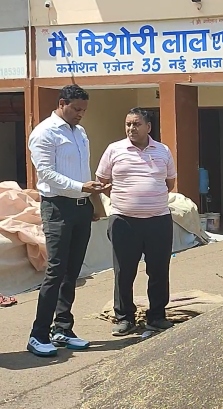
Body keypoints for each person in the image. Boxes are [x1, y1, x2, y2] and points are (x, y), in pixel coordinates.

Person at [27, 84, 106, 357]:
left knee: (72, 271)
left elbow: (83, 170)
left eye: (84, 110)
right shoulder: (44, 133)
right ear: (62, 103)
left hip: (81, 207)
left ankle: (62, 328)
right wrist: (79, 187)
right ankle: (38, 334)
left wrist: (92, 199)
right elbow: (46, 174)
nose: (80, 114)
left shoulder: (80, 132)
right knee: (56, 271)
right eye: (76, 109)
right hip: (57, 208)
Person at [95, 108, 177, 336]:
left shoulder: (163, 151)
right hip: (124, 221)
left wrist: (148, 198)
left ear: (148, 127)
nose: (131, 128)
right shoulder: (114, 149)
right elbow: (101, 181)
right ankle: (124, 318)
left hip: (158, 221)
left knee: (159, 270)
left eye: (136, 124)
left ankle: (157, 317)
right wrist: (126, 199)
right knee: (124, 272)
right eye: (128, 124)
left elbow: (169, 183)